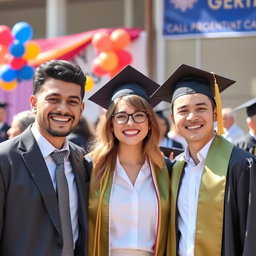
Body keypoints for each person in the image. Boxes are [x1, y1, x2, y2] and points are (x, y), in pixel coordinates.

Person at [152, 64, 256, 256]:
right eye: (183, 111)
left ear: (215, 114)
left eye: (201, 108)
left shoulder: (242, 166)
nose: (192, 117)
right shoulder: (175, 169)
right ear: (174, 119)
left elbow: (252, 238)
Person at [0, 59, 89, 256]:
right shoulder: (5, 160)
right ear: (33, 103)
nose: (63, 109)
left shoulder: (82, 160)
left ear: (81, 109)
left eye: (72, 102)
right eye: (53, 99)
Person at [86, 65, 171, 256]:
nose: (130, 123)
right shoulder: (90, 167)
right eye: (121, 116)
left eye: (139, 115)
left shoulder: (165, 169)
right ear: (110, 123)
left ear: (150, 123)